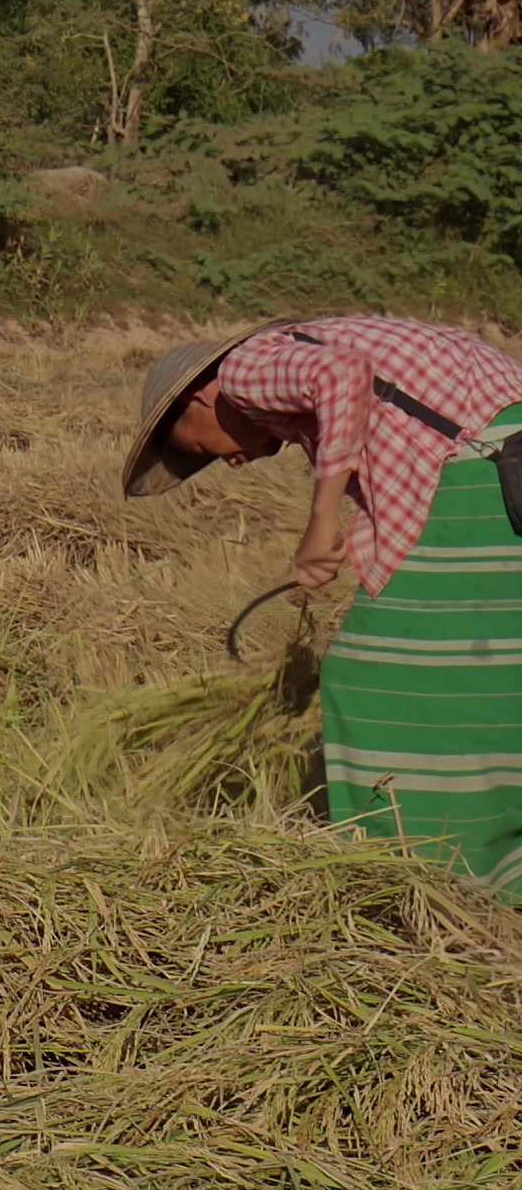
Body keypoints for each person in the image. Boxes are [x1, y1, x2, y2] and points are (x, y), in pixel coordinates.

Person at [124, 316, 522, 892]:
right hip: (496, 458)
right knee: (491, 674)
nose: (225, 461)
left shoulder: (241, 369)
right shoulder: (308, 349)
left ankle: (428, 873)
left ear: (199, 398)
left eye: (196, 447)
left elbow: (343, 374)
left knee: (375, 676)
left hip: (481, 472)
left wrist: (321, 518)